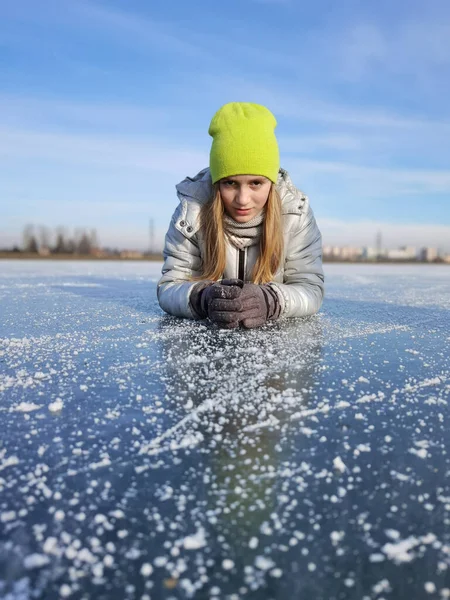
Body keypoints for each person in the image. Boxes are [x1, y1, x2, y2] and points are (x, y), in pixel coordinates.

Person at [157, 102, 324, 329]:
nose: (243, 199)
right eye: (230, 183)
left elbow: (310, 288)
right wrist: (202, 298)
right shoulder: (191, 214)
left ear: (271, 182)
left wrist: (270, 300)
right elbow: (170, 286)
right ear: (217, 183)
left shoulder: (296, 214)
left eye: (256, 183)